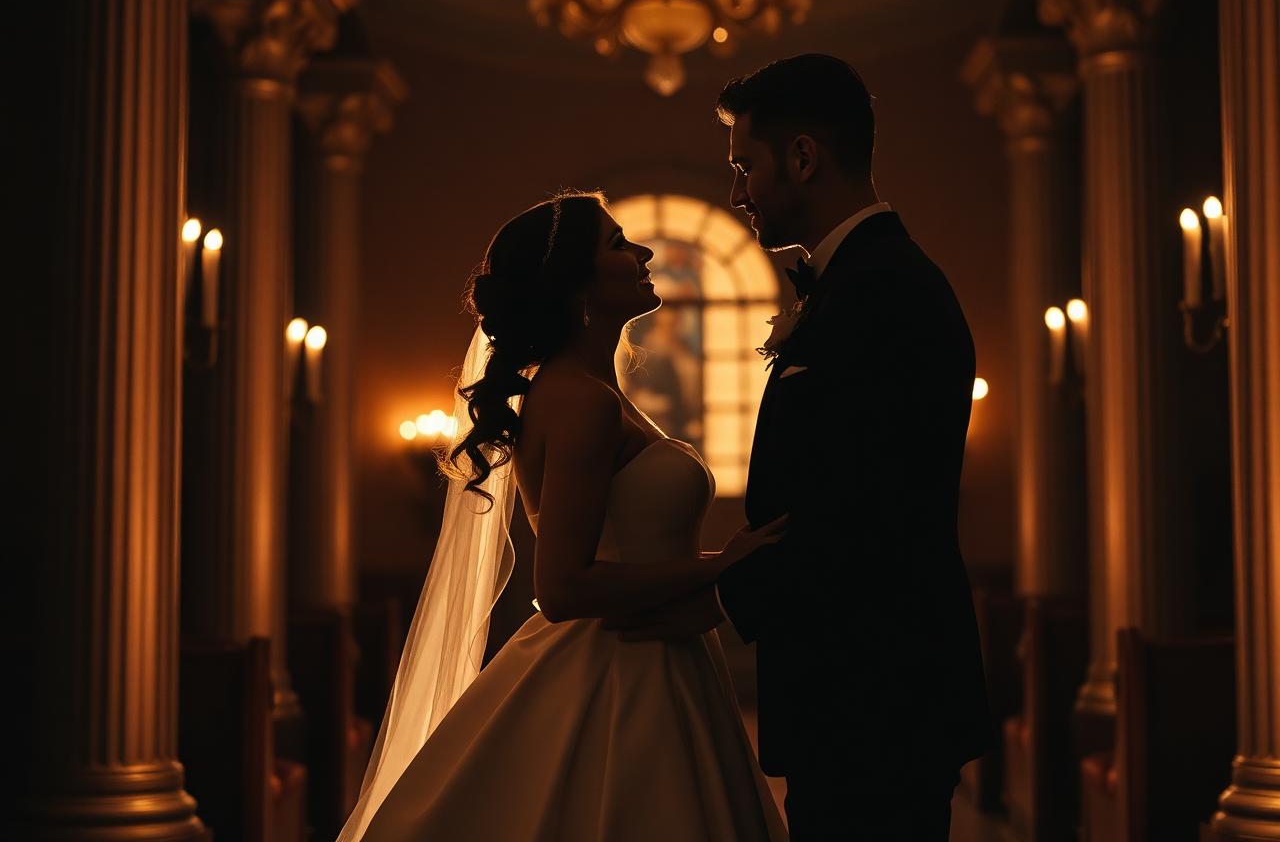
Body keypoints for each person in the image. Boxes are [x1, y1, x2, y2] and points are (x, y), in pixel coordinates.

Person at [612, 54, 993, 840]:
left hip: (876, 691)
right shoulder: (856, 282)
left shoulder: (883, 290)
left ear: (804, 157)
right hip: (856, 688)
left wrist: (711, 600)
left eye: (744, 165)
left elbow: (863, 507)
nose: (737, 192)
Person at [337, 191, 788, 842]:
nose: (643, 252)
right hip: (617, 675)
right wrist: (721, 566)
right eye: (616, 244)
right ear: (575, 281)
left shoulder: (591, 390)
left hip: (661, 654)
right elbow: (564, 586)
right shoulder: (579, 401)